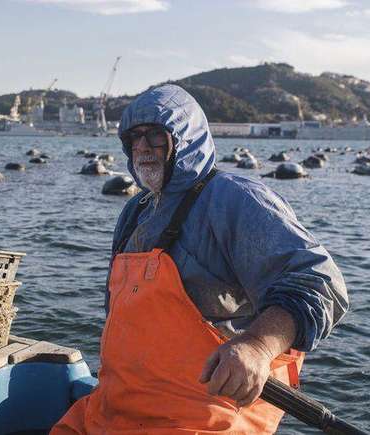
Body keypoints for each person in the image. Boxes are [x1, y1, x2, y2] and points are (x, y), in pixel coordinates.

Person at [52, 84, 348, 434]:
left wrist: (256, 347)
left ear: (186, 138)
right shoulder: (135, 211)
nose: (143, 147)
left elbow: (319, 282)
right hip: (112, 407)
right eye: (134, 137)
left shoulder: (233, 199)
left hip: (200, 417)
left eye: (155, 136)